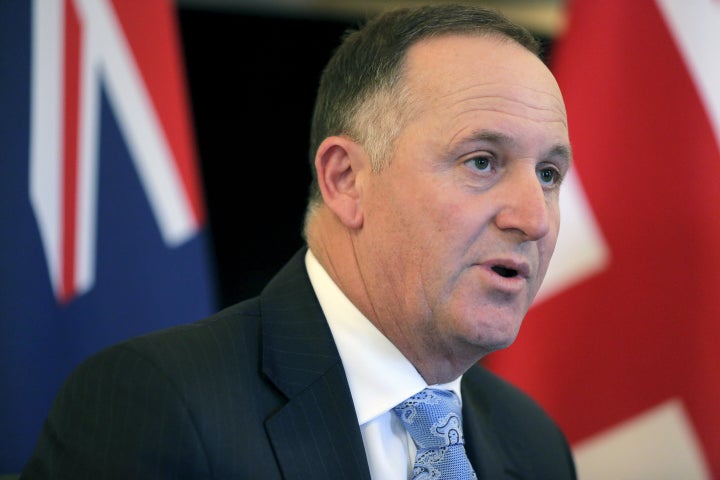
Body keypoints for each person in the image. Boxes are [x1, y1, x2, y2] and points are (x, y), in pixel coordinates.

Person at [21, 3, 576, 479]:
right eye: (481, 162)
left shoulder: (533, 444)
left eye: (549, 174)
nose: (535, 218)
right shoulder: (159, 405)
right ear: (345, 180)